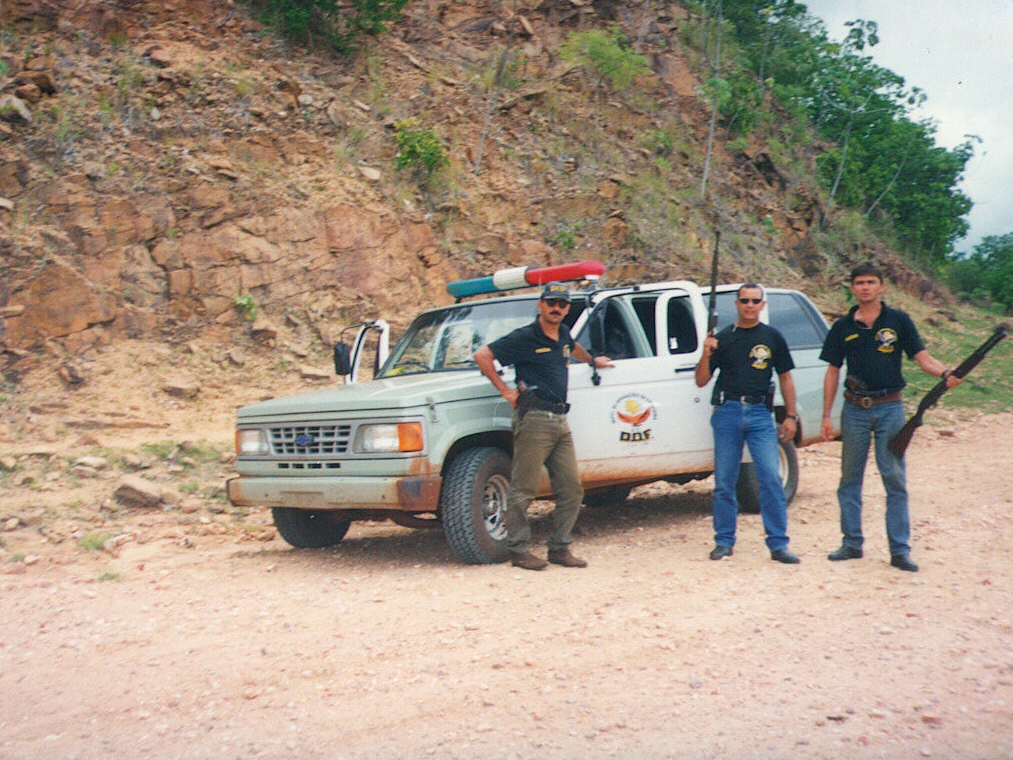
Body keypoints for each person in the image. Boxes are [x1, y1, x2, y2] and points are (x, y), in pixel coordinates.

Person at [820, 262, 961, 572]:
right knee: (849, 479)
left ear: (882, 286)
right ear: (852, 288)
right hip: (854, 408)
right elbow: (832, 371)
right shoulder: (842, 327)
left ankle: (899, 550)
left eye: (871, 282)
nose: (866, 287)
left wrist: (946, 372)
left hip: (890, 408)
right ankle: (851, 542)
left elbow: (922, 359)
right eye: (859, 282)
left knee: (894, 477)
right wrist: (826, 414)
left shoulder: (899, 321)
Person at [473, 283, 614, 571]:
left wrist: (591, 361)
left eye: (562, 304)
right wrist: (505, 391)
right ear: (540, 304)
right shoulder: (525, 337)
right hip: (535, 419)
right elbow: (482, 356)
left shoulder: (562, 332)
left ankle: (560, 548)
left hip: (560, 420)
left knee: (572, 489)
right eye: (551, 302)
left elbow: (571, 348)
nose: (557, 308)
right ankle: (519, 550)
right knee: (523, 490)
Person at [694, 283, 800, 564]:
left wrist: (790, 416)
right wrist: (705, 353)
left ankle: (778, 545)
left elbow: (786, 377)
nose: (750, 305)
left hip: (760, 415)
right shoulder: (724, 337)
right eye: (744, 300)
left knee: (770, 478)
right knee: (724, 482)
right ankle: (724, 542)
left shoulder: (772, 337)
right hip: (727, 411)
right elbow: (701, 380)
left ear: (763, 305)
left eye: (755, 300)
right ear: (736, 304)